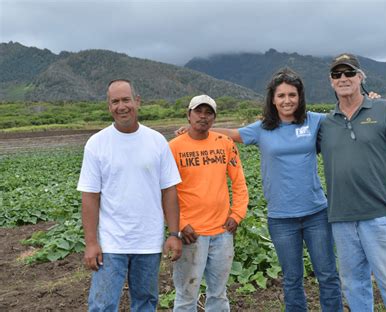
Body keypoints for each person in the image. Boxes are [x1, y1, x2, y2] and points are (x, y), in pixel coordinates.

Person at [177, 69, 343, 311]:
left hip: (316, 213)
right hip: (281, 218)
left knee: (327, 275)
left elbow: (344, 119)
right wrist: (195, 130)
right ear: (273, 99)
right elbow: (232, 134)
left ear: (300, 97)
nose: (287, 100)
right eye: (281, 95)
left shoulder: (315, 120)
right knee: (292, 278)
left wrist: (370, 101)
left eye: (292, 95)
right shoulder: (262, 128)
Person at [318, 53, 386, 311]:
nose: (343, 78)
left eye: (349, 73)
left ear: (360, 77)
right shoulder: (326, 123)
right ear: (331, 82)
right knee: (354, 286)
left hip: (380, 216)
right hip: (341, 220)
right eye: (337, 74)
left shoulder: (384, 109)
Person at [77, 79, 182, 311]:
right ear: (108, 106)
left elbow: (169, 190)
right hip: (111, 241)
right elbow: (90, 197)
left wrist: (174, 233)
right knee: (102, 304)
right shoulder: (96, 144)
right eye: (115, 101)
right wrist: (92, 242)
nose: (121, 106)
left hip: (149, 241)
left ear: (138, 101)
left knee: (145, 302)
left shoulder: (156, 142)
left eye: (126, 99)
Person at [169, 95, 248, 311]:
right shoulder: (173, 148)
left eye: (208, 113)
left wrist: (237, 214)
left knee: (219, 294)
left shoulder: (225, 143)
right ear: (189, 115)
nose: (203, 117)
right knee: (186, 296)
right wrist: (179, 224)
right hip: (190, 234)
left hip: (222, 232)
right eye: (198, 112)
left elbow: (239, 182)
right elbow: (165, 193)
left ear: (214, 118)